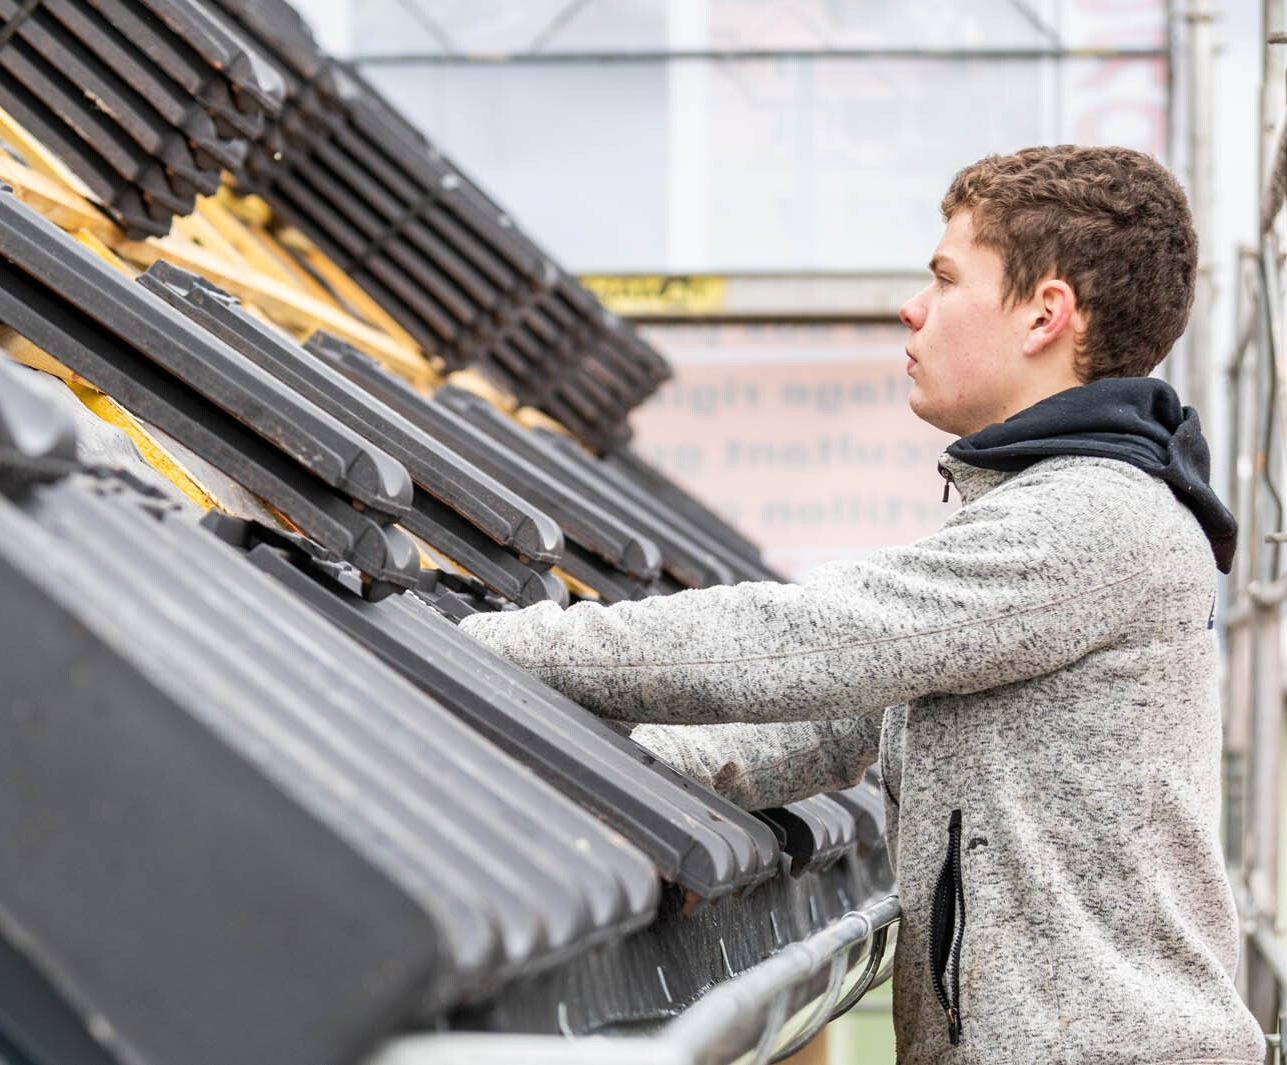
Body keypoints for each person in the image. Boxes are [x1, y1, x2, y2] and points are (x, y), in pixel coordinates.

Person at [460, 145, 1265, 1065]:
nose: (911, 307)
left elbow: (793, 646)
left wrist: (484, 649)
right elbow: (827, 724)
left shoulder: (1091, 517)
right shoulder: (1058, 511)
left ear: (1046, 312)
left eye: (945, 277)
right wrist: (569, 761)